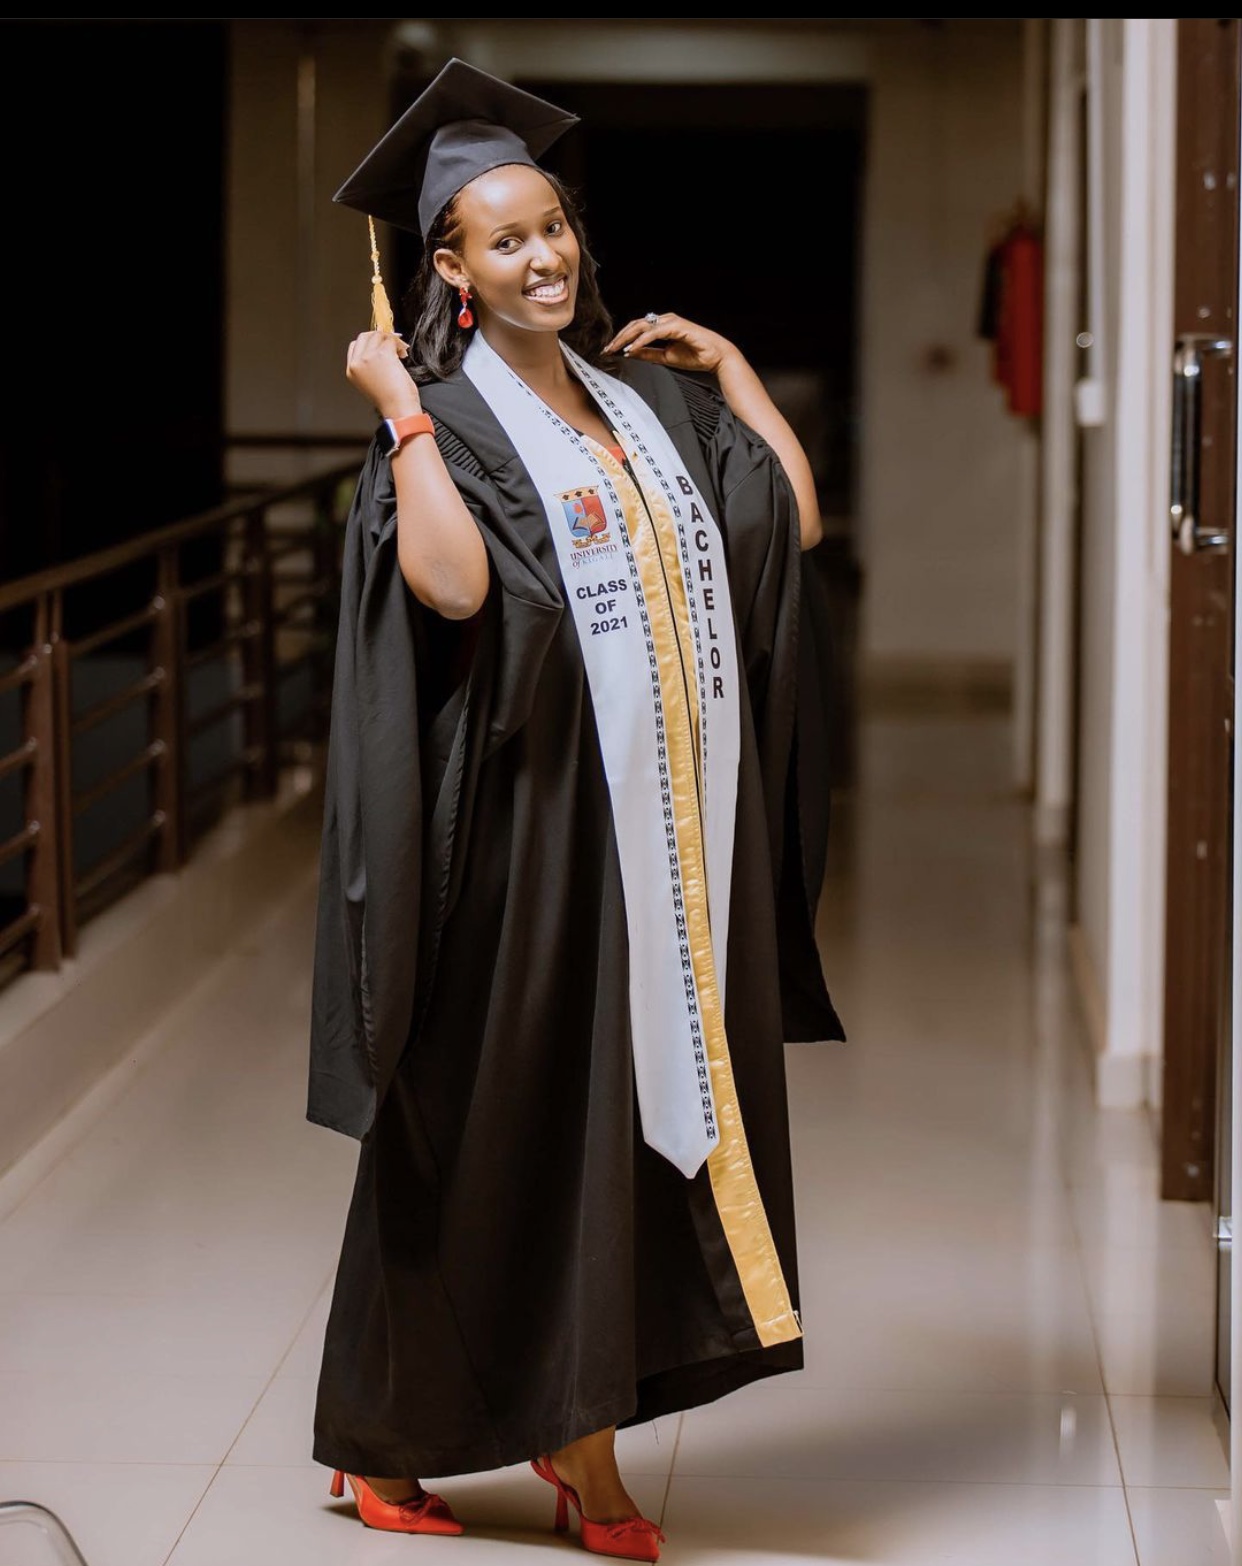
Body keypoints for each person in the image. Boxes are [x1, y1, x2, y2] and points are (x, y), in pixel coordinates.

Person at [306, 56, 846, 1558]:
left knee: (618, 1138)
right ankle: (383, 1440)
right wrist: (400, 414)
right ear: (451, 270)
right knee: (483, 1136)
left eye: (552, 227)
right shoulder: (451, 420)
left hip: (667, 844)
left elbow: (790, 527)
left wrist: (735, 373)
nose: (542, 256)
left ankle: (583, 1444)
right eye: (505, 240)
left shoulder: (651, 403)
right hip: (527, 848)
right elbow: (452, 587)